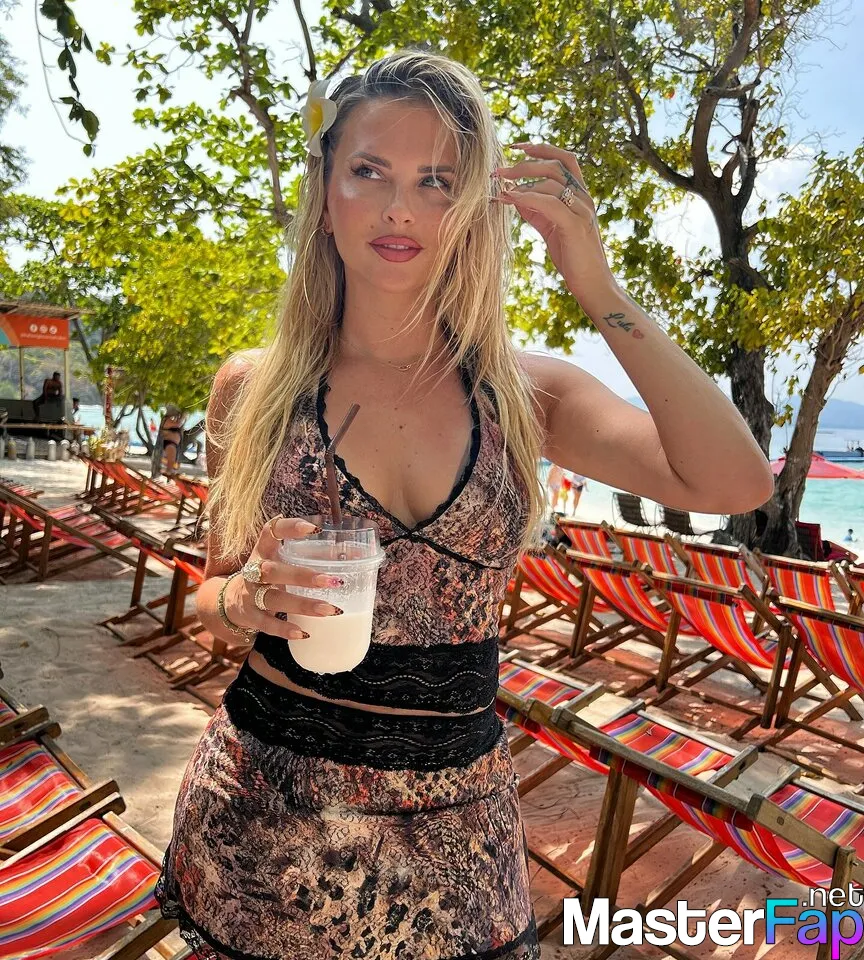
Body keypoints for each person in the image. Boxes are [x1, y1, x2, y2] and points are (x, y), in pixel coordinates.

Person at [155, 50, 773, 960]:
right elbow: (210, 598)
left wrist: (596, 285)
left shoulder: (525, 397)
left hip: (455, 835)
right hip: (261, 819)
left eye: (436, 181)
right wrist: (243, 599)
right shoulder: (255, 390)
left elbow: (736, 482)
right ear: (325, 194)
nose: (400, 208)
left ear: (474, 208)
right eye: (369, 171)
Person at [158, 404, 186, 475]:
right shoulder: (167, 420)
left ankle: (169, 472)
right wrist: (182, 417)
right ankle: (168, 472)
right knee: (171, 460)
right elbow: (178, 424)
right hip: (169, 443)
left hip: (172, 443)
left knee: (172, 460)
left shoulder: (170, 420)